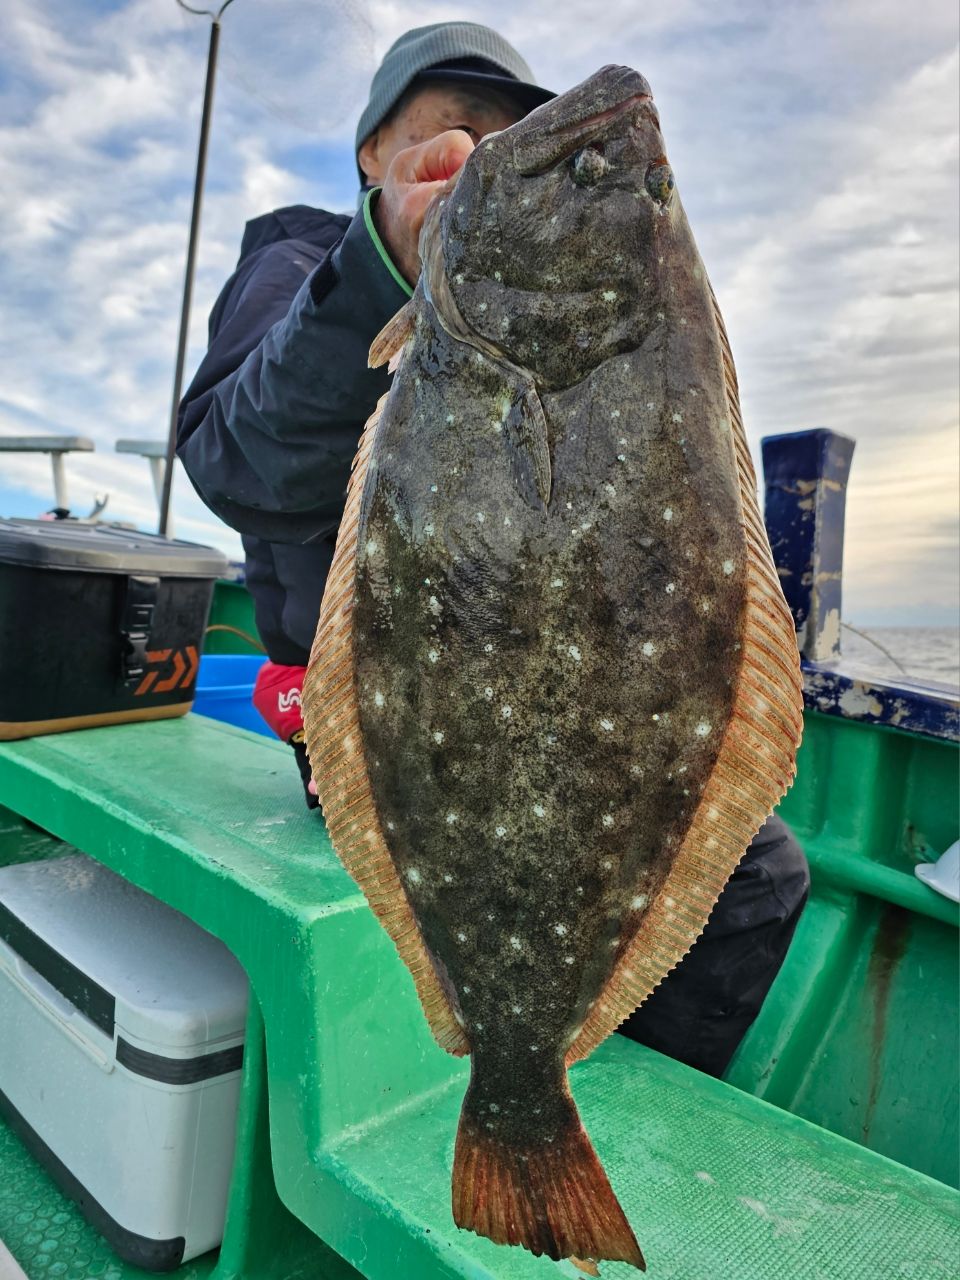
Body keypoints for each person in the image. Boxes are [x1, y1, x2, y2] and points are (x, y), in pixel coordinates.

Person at [178, 21, 808, 1079]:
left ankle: (581, 1084)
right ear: (376, 150)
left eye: (510, 135)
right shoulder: (300, 264)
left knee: (760, 873)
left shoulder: (580, 316)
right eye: (454, 128)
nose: (487, 151)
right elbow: (239, 458)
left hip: (554, 693)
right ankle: (534, 1076)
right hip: (398, 724)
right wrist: (384, 260)